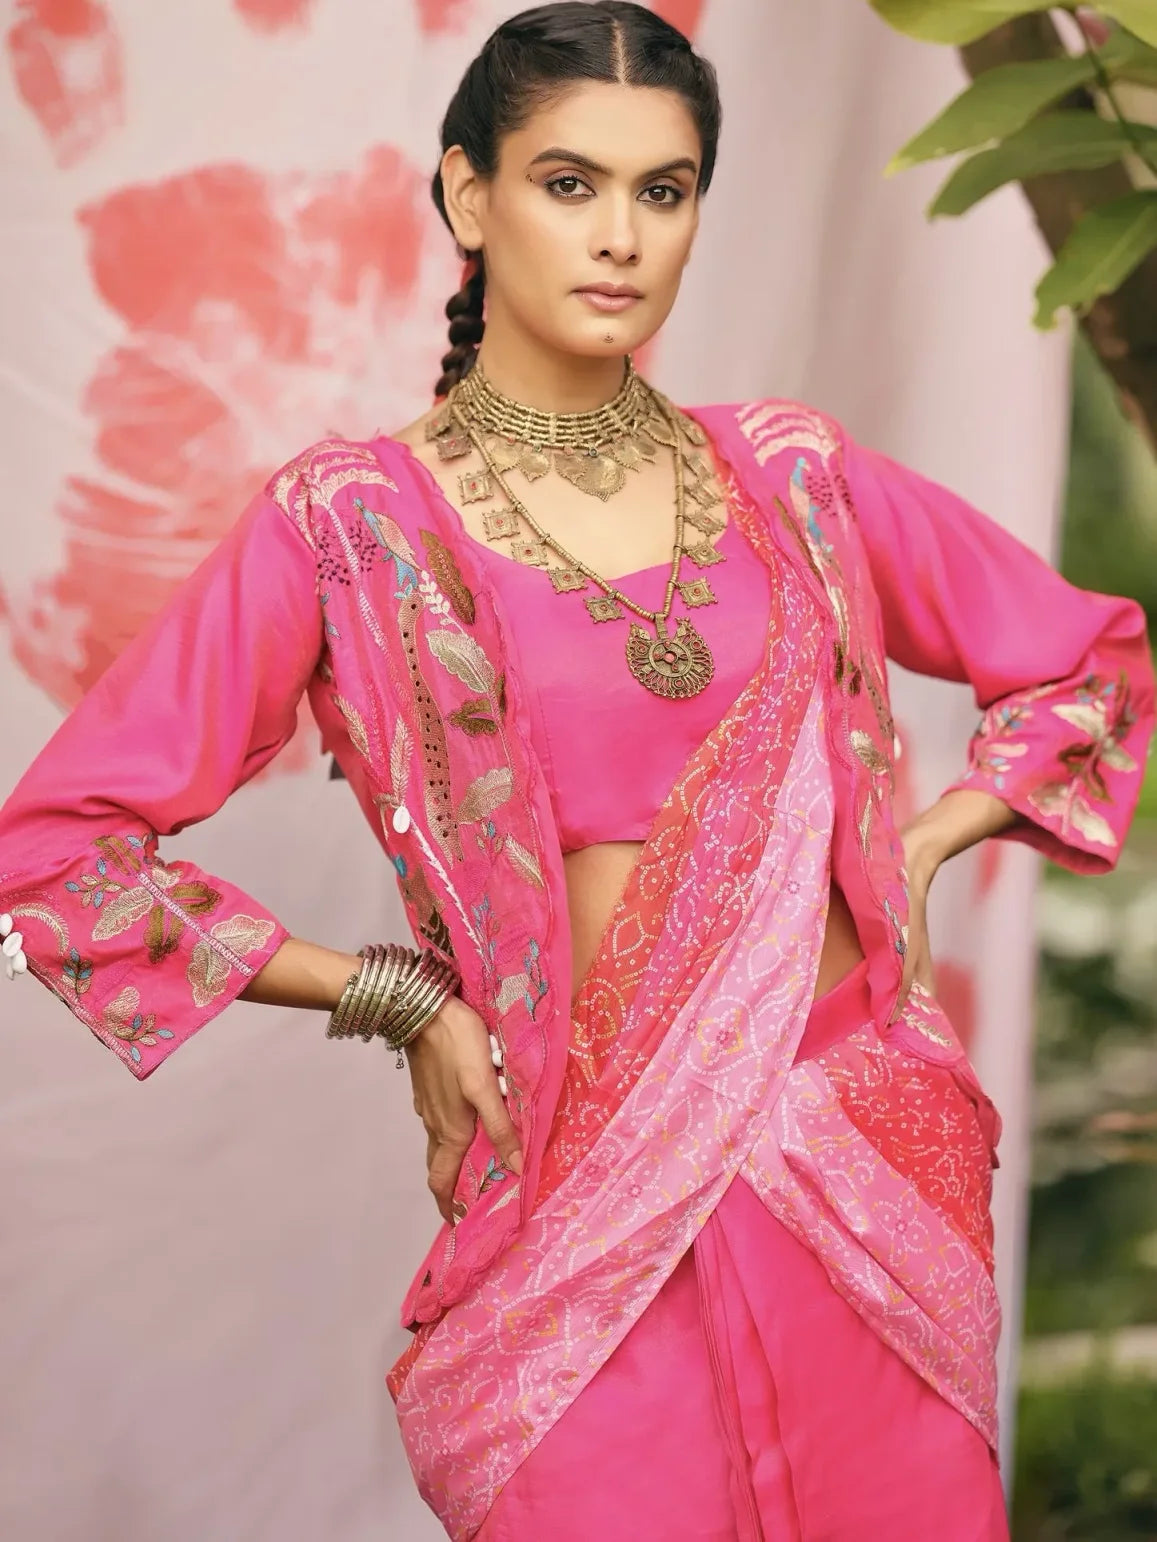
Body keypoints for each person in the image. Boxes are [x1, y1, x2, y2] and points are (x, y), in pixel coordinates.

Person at [0, 3, 1151, 1537]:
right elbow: (57, 848)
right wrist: (396, 996)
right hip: (576, 1187)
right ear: (469, 195)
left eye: (659, 191)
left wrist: (922, 843)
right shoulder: (355, 530)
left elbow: (1092, 657)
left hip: (851, 1157)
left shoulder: (790, 476)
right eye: (567, 183)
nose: (618, 237)